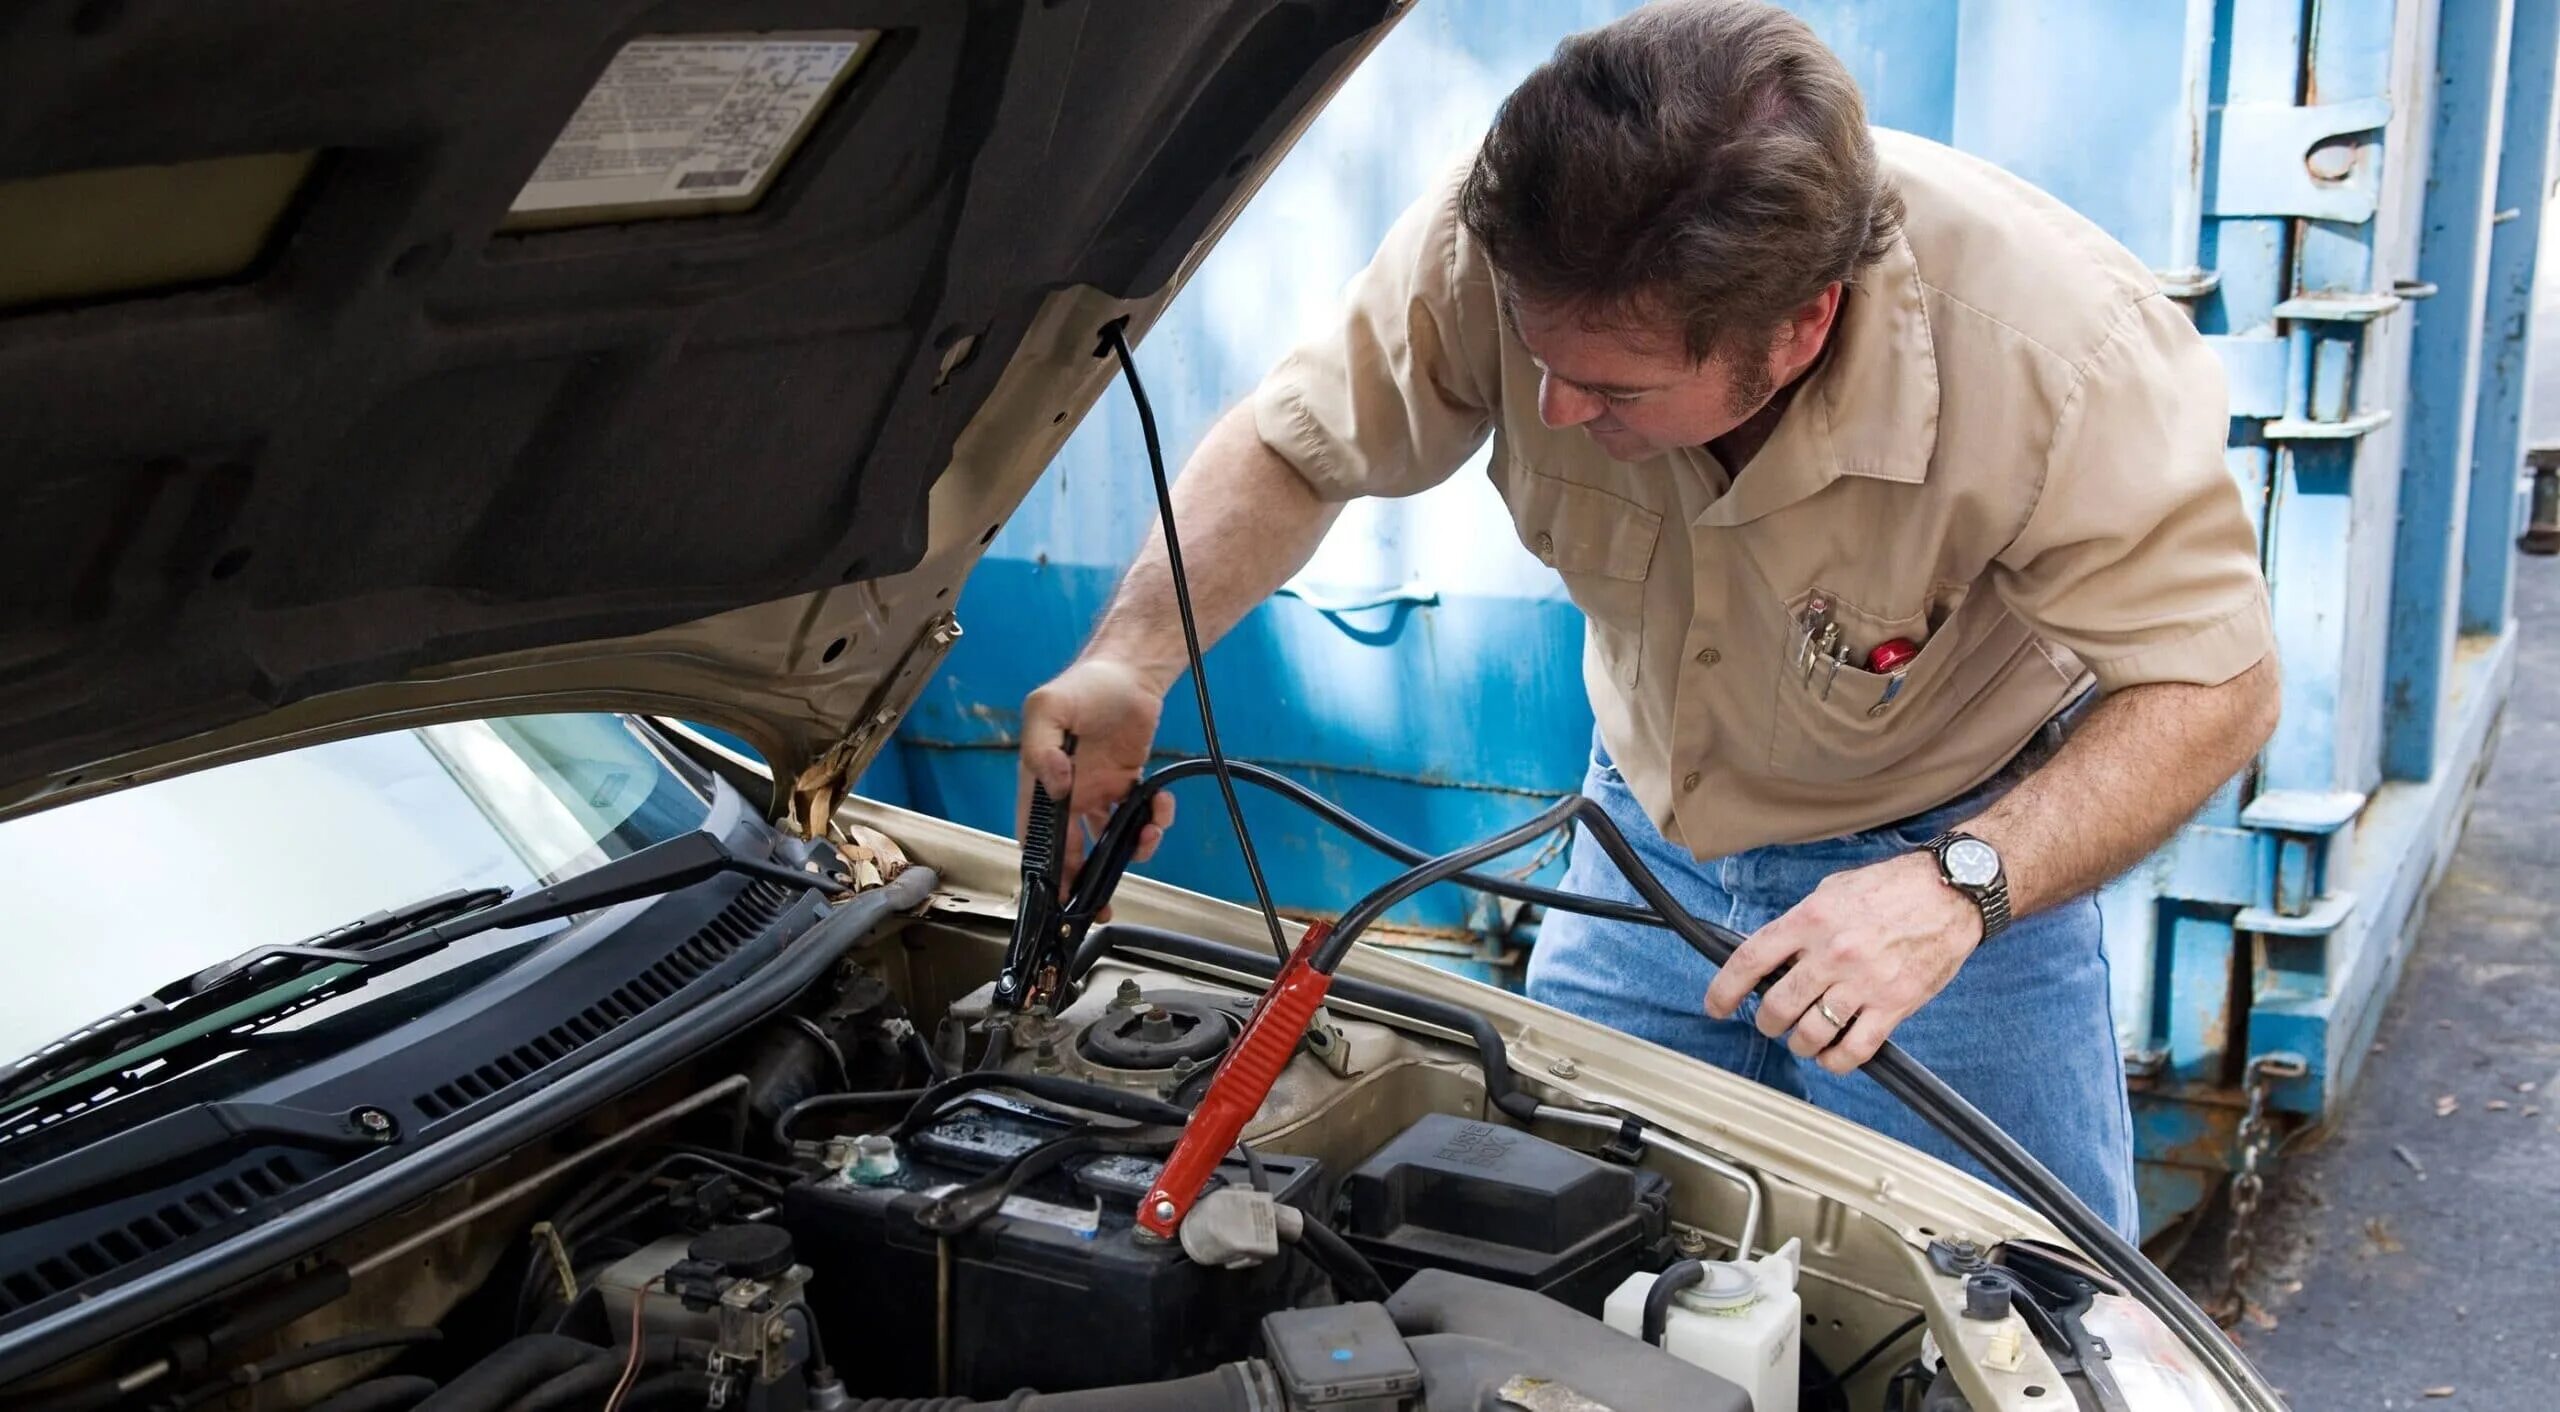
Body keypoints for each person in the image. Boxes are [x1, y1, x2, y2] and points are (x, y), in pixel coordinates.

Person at [1013, 0, 2279, 1234]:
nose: (1552, 409)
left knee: (2036, 1321)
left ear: (1798, 328)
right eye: (1535, 356)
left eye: (1611, 383)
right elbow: (1300, 445)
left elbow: (2215, 687)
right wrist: (1133, 657)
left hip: (1953, 872)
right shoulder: (1507, 238)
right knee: (1556, 1259)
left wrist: (1959, 888)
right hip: (1640, 850)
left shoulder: (2057, 352)